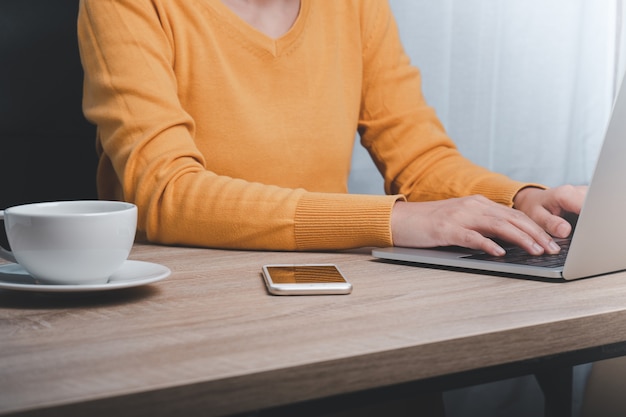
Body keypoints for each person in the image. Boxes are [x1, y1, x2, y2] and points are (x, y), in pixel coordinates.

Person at [77, 0, 585, 259]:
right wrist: (395, 221)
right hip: (188, 292)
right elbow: (166, 193)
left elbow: (421, 161)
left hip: (323, 278)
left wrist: (517, 200)